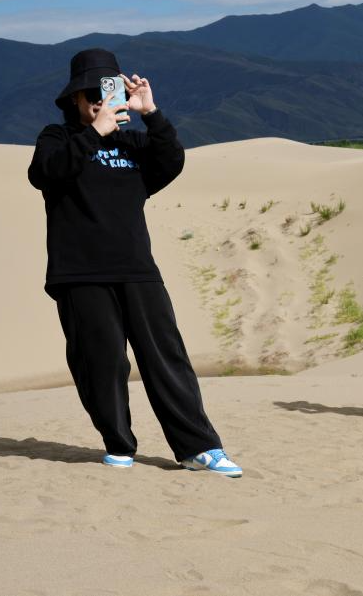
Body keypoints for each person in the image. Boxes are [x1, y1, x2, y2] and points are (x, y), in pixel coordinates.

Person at [28, 48, 241, 477]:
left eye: (106, 92)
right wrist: (95, 132)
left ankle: (198, 448)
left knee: (166, 357)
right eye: (90, 94)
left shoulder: (134, 144)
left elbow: (171, 161)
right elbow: (44, 174)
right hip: (80, 272)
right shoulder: (58, 138)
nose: (99, 100)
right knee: (101, 362)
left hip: (137, 269)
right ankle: (118, 443)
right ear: (74, 98)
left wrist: (151, 114)